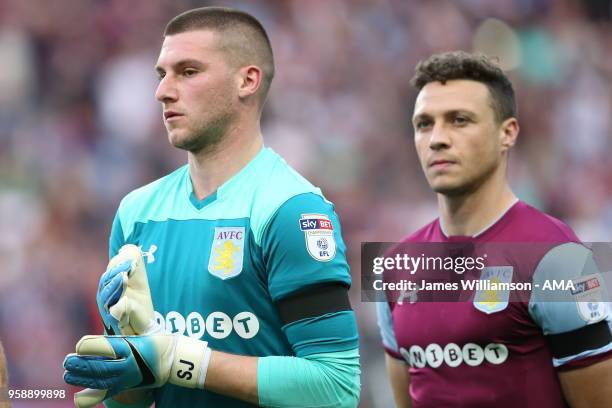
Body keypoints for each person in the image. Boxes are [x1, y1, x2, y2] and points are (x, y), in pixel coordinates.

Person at [63, 7, 359, 408]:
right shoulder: (136, 212)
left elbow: (336, 386)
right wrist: (131, 357)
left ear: (247, 80)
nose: (163, 91)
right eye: (161, 74)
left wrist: (181, 360)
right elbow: (134, 400)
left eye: (187, 71)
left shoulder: (289, 210)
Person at [376, 51, 612, 407]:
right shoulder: (394, 267)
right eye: (424, 124)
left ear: (508, 133)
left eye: (459, 120)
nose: (437, 138)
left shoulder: (558, 258)